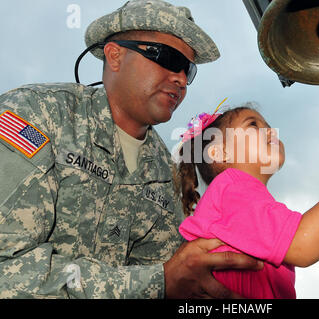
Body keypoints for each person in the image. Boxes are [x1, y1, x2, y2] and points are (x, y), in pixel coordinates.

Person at [0, 0, 261, 299]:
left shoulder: (164, 170)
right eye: (167, 57)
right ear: (115, 55)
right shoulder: (34, 114)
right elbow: (7, 266)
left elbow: (170, 273)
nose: (180, 79)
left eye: (187, 70)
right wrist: (157, 282)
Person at [177, 105, 319, 298]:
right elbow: (303, 244)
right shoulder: (230, 186)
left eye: (269, 125)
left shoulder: (238, 196)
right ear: (220, 152)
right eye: (253, 124)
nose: (272, 131)